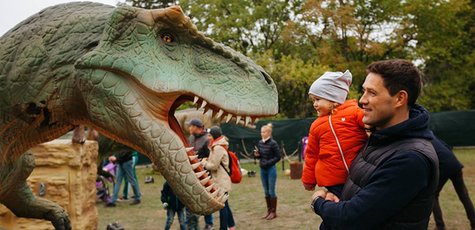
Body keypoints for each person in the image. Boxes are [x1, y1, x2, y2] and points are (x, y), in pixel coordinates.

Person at [310, 59, 439, 229]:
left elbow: (351, 217)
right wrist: (335, 196)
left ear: (400, 98)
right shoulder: (377, 140)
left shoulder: (410, 159)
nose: (362, 100)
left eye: (372, 93)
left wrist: (318, 202)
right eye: (364, 91)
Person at [301, 70, 368, 198]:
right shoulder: (316, 125)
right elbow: (311, 155)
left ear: (334, 98)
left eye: (318, 99)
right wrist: (308, 180)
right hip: (333, 182)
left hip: (360, 176)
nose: (314, 104)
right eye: (313, 100)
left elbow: (372, 124)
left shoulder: (354, 113)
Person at [430, 133, 475, 230]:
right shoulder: (432, 135)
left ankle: (440, 226)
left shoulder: (422, 140)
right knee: (464, 195)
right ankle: (474, 223)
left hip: (444, 166)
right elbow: (447, 147)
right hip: (455, 164)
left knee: (433, 195)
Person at [202, 126, 236, 230]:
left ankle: (223, 228)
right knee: (225, 205)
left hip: (221, 181)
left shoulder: (218, 148)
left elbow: (213, 166)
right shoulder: (216, 146)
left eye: (209, 135)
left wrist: (204, 163)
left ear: (214, 136)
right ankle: (232, 226)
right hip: (220, 180)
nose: (208, 137)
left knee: (222, 206)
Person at [186, 118, 214, 230]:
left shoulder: (207, 139)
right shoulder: (191, 137)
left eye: (190, 126)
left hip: (204, 173)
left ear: (197, 127)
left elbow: (211, 156)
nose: (189, 128)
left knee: (206, 197)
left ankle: (209, 223)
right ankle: (193, 222)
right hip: (193, 173)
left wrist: (201, 162)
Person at [253, 123, 281, 220]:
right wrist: (257, 155)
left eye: (264, 132)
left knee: (271, 191)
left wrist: (268, 163)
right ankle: (269, 211)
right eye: (261, 132)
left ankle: (274, 212)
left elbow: (278, 157)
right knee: (266, 191)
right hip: (262, 169)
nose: (262, 133)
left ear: (269, 133)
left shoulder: (273, 143)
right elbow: (261, 156)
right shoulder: (260, 143)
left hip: (271, 169)